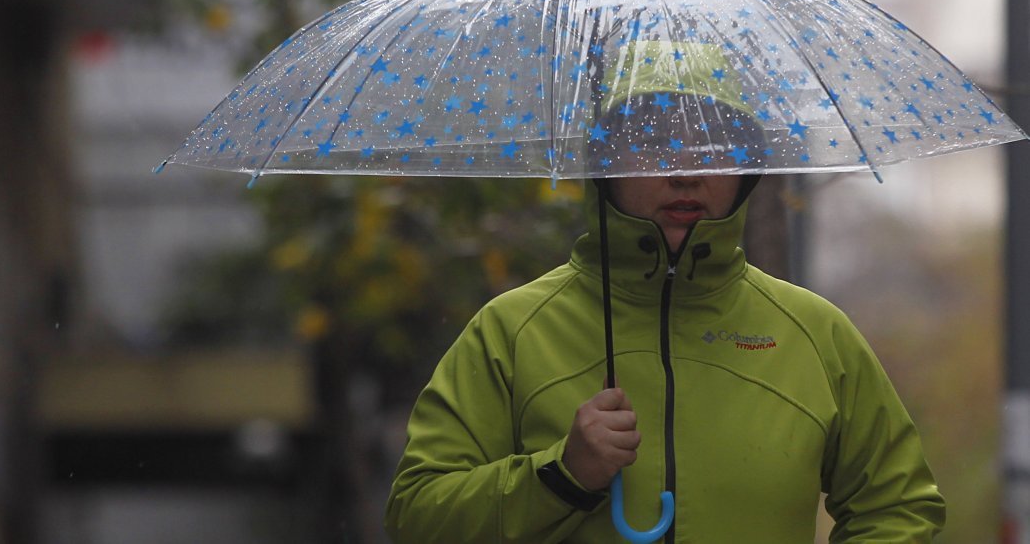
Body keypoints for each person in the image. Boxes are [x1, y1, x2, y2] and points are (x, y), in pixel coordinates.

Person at [383, 42, 946, 543]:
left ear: (747, 169)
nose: (686, 172)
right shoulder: (511, 332)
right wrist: (560, 476)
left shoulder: (815, 335)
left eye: (714, 145)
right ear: (603, 163)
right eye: (653, 143)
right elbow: (417, 517)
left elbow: (897, 507)